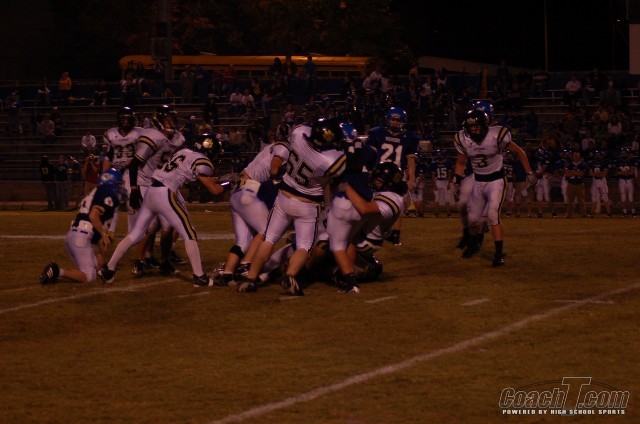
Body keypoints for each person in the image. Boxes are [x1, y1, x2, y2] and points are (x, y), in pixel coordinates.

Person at [236, 117, 347, 295]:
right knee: (304, 246)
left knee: (268, 240)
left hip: (284, 197)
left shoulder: (298, 134)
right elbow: (339, 167)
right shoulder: (330, 160)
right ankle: (290, 275)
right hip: (307, 205)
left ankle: (250, 279)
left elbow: (304, 128)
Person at [99, 135, 228, 287]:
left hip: (152, 190)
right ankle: (199, 277)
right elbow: (215, 190)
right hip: (165, 193)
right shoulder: (203, 161)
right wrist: (228, 184)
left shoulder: (183, 152)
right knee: (190, 233)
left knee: (135, 234)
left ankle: (109, 269)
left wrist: (218, 180)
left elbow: (190, 173)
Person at [452, 109, 536, 266]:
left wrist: (528, 172)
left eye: (476, 127)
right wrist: (457, 181)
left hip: (496, 181)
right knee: (472, 219)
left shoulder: (496, 135)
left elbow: (519, 151)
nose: (473, 130)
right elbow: (461, 162)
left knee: (492, 215)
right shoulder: (463, 138)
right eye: (471, 127)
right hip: (478, 181)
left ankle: (499, 254)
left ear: (484, 126)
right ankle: (474, 244)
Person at [210, 134, 290, 287]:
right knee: (266, 231)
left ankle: (227, 274)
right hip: (249, 191)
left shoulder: (270, 147)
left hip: (237, 192)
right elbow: (274, 169)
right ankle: (245, 266)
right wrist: (282, 178)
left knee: (243, 242)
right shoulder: (284, 148)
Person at [39, 169, 123, 285]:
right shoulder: (107, 192)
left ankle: (58, 273)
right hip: (82, 237)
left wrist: (98, 253)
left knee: (96, 267)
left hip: (74, 236)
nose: (120, 187)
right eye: (119, 183)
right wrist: (104, 235)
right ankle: (56, 271)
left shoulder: (96, 192)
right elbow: (93, 216)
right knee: (89, 277)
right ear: (112, 183)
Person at [366, 106, 419, 245]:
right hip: (379, 173)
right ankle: (375, 230)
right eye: (393, 119)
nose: (395, 122)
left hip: (397, 175)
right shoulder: (377, 133)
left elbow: (410, 160)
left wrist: (411, 179)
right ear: (387, 120)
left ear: (403, 121)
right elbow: (370, 155)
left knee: (398, 204)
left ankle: (396, 233)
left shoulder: (409, 137)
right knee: (372, 201)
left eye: (398, 120)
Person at [101, 106, 145, 235]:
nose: (126, 122)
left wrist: (127, 164)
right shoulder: (110, 133)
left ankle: (132, 232)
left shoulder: (140, 133)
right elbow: (109, 155)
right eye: (123, 119)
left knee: (131, 200)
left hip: (133, 171)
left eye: (128, 119)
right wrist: (104, 175)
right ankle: (109, 231)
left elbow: (142, 154)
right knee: (111, 200)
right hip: (115, 170)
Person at [564, 150, 588, 218]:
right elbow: (567, 174)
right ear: (573, 157)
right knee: (570, 200)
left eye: (577, 156)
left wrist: (573, 172)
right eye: (575, 156)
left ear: (579, 157)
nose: (576, 157)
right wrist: (577, 173)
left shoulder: (583, 164)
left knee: (581, 200)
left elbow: (582, 174)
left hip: (580, 184)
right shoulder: (569, 165)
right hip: (571, 184)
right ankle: (569, 214)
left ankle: (583, 214)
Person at [588, 150, 612, 217]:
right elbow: (590, 173)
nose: (597, 156)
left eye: (599, 155)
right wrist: (598, 174)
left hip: (602, 181)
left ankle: (609, 213)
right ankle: (592, 213)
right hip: (595, 181)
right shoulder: (592, 163)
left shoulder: (604, 163)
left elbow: (604, 174)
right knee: (593, 197)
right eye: (596, 155)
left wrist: (596, 174)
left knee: (605, 197)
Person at [614, 147, 637, 217]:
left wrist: (623, 173)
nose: (623, 154)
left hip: (629, 180)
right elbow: (617, 172)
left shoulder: (631, 161)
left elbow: (632, 172)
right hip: (622, 181)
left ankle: (633, 212)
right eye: (622, 153)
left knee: (630, 198)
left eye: (624, 153)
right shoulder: (618, 161)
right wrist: (626, 173)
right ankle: (625, 212)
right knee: (623, 197)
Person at [430, 149, 452, 217]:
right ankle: (446, 213)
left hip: (440, 182)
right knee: (445, 198)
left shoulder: (434, 164)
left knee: (439, 198)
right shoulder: (447, 163)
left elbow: (433, 175)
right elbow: (449, 174)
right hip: (443, 182)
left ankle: (439, 213)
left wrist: (434, 184)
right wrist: (448, 183)